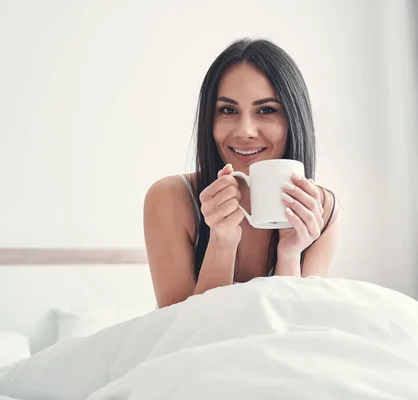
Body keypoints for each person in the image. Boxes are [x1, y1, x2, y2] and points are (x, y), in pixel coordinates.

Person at [143, 38, 341, 308]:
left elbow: (295, 331)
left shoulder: (321, 209)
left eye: (266, 110)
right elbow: (180, 338)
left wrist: (289, 254)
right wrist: (222, 242)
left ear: (293, 119)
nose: (245, 130)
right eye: (228, 110)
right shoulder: (171, 199)